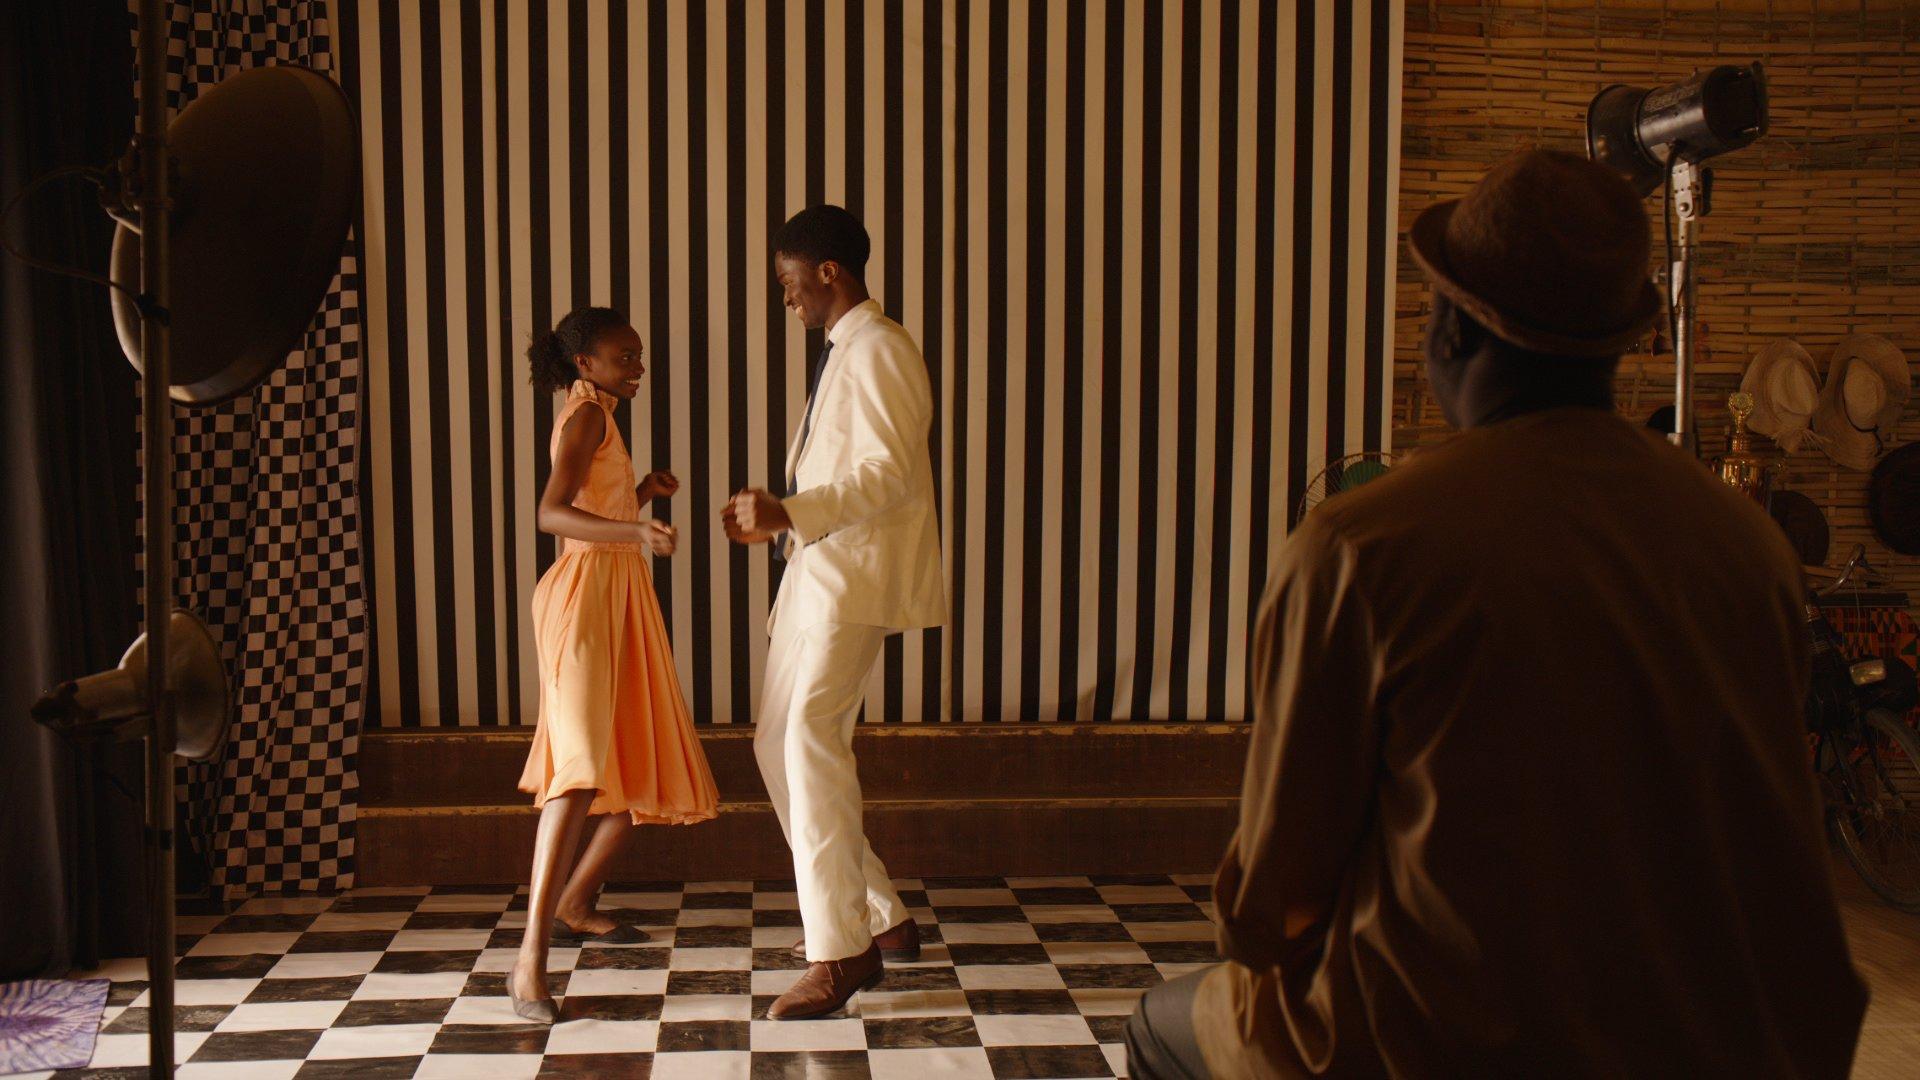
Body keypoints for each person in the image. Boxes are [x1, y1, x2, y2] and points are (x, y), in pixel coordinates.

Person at [1125, 149, 1867, 1078]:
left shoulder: (1362, 546)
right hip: (1715, 1047)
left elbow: (1270, 905)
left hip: (1441, 1050)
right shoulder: (1749, 550)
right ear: (1617, 339)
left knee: (1161, 1023)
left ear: (1449, 331)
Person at [723, 205, 946, 1020]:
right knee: (775, 742)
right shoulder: (845, 350)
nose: (787, 300)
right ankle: (879, 917)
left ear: (828, 273)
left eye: (790, 284)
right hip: (817, 574)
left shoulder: (881, 348)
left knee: (809, 743)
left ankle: (842, 951)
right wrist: (787, 521)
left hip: (851, 578)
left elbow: (888, 473)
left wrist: (789, 511)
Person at [509, 307, 720, 1023]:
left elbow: (591, 503)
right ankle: (528, 960)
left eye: (638, 355)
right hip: (584, 599)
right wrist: (634, 526)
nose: (638, 367)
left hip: (618, 595)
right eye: (624, 356)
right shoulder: (586, 417)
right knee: (576, 772)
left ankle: (575, 901)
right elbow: (550, 513)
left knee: (636, 758)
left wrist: (640, 495)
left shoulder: (598, 412)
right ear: (585, 363)